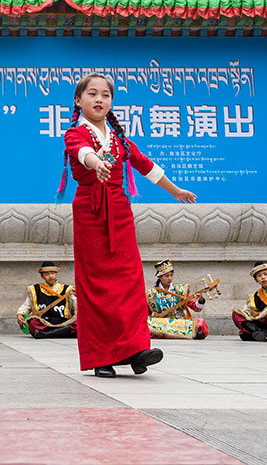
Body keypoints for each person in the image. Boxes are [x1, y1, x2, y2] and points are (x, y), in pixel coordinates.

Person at [60, 72, 197, 378]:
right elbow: (81, 153)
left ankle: (136, 349)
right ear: (78, 100)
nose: (99, 99)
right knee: (97, 285)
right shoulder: (74, 133)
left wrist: (175, 191)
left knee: (131, 279)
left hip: (120, 211)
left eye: (105, 95)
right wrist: (98, 164)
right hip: (90, 210)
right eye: (92, 94)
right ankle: (101, 357)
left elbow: (145, 164)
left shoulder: (120, 137)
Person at [146, 259, 208, 340]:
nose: (170, 278)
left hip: (179, 323)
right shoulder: (151, 293)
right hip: (160, 323)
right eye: (167, 276)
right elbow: (145, 314)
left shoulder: (180, 290)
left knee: (200, 323)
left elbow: (196, 308)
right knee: (146, 323)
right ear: (159, 277)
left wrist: (201, 300)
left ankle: (165, 334)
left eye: (171, 275)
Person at [16, 261, 77, 338]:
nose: (50, 276)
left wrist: (78, 296)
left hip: (64, 321)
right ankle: (63, 332)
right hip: (43, 322)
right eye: (46, 274)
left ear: (56, 274)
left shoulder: (68, 289)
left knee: (79, 323)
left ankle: (46, 334)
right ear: (42, 276)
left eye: (52, 273)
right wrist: (20, 314)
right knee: (32, 323)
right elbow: (26, 305)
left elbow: (77, 307)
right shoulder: (35, 289)